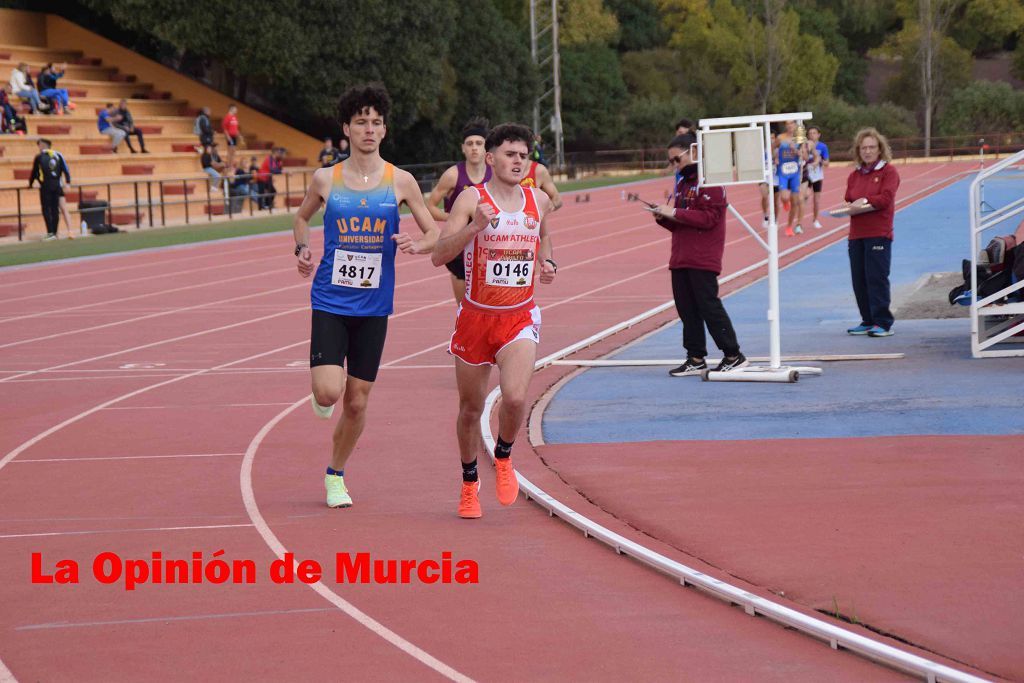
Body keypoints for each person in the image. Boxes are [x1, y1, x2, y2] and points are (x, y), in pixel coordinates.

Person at [292, 83, 439, 509]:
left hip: (375, 305)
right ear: (347, 129)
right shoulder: (326, 178)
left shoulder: (401, 181)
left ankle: (335, 475)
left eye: (376, 123)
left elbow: (433, 232)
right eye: (361, 123)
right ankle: (323, 390)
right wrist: (302, 249)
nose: (369, 130)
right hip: (330, 299)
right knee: (328, 394)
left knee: (356, 401)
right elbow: (301, 220)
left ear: (384, 130)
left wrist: (417, 243)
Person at [430, 122, 557, 519]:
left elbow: (544, 236)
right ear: (491, 158)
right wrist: (474, 227)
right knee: (470, 408)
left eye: (523, 155)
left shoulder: (539, 200)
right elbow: (438, 254)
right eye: (509, 154)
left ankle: (503, 457)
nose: (518, 161)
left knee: (515, 397)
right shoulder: (471, 198)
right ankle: (469, 483)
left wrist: (547, 260)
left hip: (518, 316)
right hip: (475, 318)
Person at [650, 133, 746, 377]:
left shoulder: (710, 181)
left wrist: (676, 213)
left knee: (708, 306)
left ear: (693, 152)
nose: (674, 166)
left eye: (676, 160)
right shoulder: (682, 184)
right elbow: (682, 222)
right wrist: (665, 218)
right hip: (681, 255)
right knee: (686, 309)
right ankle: (695, 357)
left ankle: (733, 354)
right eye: (670, 162)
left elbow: (709, 218)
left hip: (703, 256)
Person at [426, 117, 492, 305]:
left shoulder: (494, 174)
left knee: (489, 306)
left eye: (479, 143)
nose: (474, 148)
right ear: (463, 148)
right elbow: (430, 206)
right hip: (459, 250)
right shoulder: (453, 175)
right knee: (465, 309)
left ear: (486, 148)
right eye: (470, 143)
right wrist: (454, 218)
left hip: (487, 247)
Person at [842, 127, 900, 338]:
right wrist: (851, 206)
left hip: (878, 232)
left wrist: (865, 202)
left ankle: (883, 322)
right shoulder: (855, 174)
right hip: (856, 233)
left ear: (880, 149)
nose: (868, 151)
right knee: (859, 279)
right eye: (864, 147)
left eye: (872, 147)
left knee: (876, 277)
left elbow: (885, 199)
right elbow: (849, 198)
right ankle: (867, 320)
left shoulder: (889, 172)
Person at [28, 139, 72, 240]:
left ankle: (50, 232)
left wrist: (30, 184)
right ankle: (56, 232)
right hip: (57, 185)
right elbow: (66, 170)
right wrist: (68, 182)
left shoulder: (39, 157)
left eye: (39, 145)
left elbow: (34, 172)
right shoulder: (58, 155)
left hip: (46, 185)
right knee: (55, 209)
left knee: (46, 209)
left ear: (42, 146)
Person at [775, 120, 806, 236]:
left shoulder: (799, 139)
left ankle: (789, 227)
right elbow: (772, 148)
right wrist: (775, 157)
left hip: (795, 173)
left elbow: (805, 155)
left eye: (792, 123)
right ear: (785, 126)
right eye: (787, 124)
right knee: (783, 197)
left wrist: (796, 150)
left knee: (795, 201)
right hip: (783, 172)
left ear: (795, 125)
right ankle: (785, 202)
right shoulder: (780, 138)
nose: (789, 126)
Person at [805, 125, 829, 229]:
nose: (812, 135)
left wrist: (820, 160)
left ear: (819, 135)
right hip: (806, 174)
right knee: (805, 195)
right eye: (810, 133)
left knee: (816, 200)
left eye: (814, 133)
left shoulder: (822, 147)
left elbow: (827, 162)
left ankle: (815, 220)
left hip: (817, 176)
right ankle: (800, 219)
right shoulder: (804, 146)